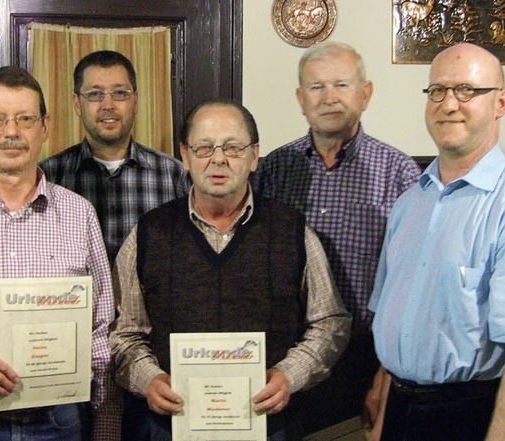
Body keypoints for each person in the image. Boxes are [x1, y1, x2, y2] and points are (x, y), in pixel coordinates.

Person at [110, 99, 351, 441]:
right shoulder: (150, 233)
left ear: (254, 156)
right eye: (205, 147)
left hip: (269, 426)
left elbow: (330, 322)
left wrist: (289, 375)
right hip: (171, 426)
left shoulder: (292, 231)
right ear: (185, 155)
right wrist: (147, 378)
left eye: (233, 147)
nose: (218, 158)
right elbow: (123, 332)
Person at [367, 42, 505, 441]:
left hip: (469, 418)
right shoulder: (409, 202)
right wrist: (386, 419)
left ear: (501, 102)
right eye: (437, 90)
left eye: (467, 90)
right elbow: (397, 325)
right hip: (400, 412)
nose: (448, 103)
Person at [0, 66, 120, 441]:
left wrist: (97, 404)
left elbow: (103, 328)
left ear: (44, 127)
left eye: (24, 119)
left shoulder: (79, 215)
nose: (11, 132)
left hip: (58, 424)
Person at [253, 41, 420, 433]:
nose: (329, 98)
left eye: (342, 85)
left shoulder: (400, 174)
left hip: (366, 358)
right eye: (316, 87)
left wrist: (386, 374)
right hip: (287, 359)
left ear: (366, 94)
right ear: (300, 98)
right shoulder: (274, 169)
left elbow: (411, 283)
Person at [40, 50, 188, 266]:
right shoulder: (48, 177)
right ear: (77, 104)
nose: (108, 105)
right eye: (94, 94)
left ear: (135, 101)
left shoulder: (174, 175)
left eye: (120, 93)